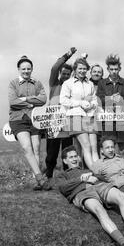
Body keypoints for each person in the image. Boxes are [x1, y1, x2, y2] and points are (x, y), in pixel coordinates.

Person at [8, 55, 47, 190]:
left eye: (28, 68)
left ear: (32, 69)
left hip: (34, 119)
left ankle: (38, 182)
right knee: (27, 148)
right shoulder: (13, 83)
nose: (26, 71)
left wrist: (24, 99)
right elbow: (13, 102)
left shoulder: (37, 83)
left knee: (36, 148)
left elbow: (43, 100)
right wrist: (32, 101)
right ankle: (40, 179)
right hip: (18, 119)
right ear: (19, 69)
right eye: (23, 68)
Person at [60, 57, 99, 170]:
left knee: (93, 147)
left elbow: (95, 100)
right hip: (75, 116)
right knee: (85, 146)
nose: (82, 71)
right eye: (80, 68)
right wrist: (80, 103)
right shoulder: (68, 83)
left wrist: (92, 105)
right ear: (75, 69)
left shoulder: (90, 84)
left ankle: (95, 171)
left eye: (84, 69)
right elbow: (63, 100)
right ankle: (94, 172)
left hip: (90, 116)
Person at [45, 47, 77, 181]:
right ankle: (48, 177)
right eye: (63, 73)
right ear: (60, 74)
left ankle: (68, 176)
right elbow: (54, 68)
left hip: (67, 122)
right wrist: (68, 55)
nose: (65, 76)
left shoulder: (71, 85)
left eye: (67, 74)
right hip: (53, 122)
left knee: (67, 149)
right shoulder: (54, 83)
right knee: (52, 152)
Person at [97, 54, 124, 162]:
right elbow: (99, 100)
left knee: (122, 150)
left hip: (122, 120)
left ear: (119, 69)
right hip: (107, 121)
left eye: (116, 69)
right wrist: (110, 99)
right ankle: (108, 172)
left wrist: (120, 99)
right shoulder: (102, 83)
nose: (114, 71)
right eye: (111, 69)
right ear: (107, 69)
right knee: (107, 150)